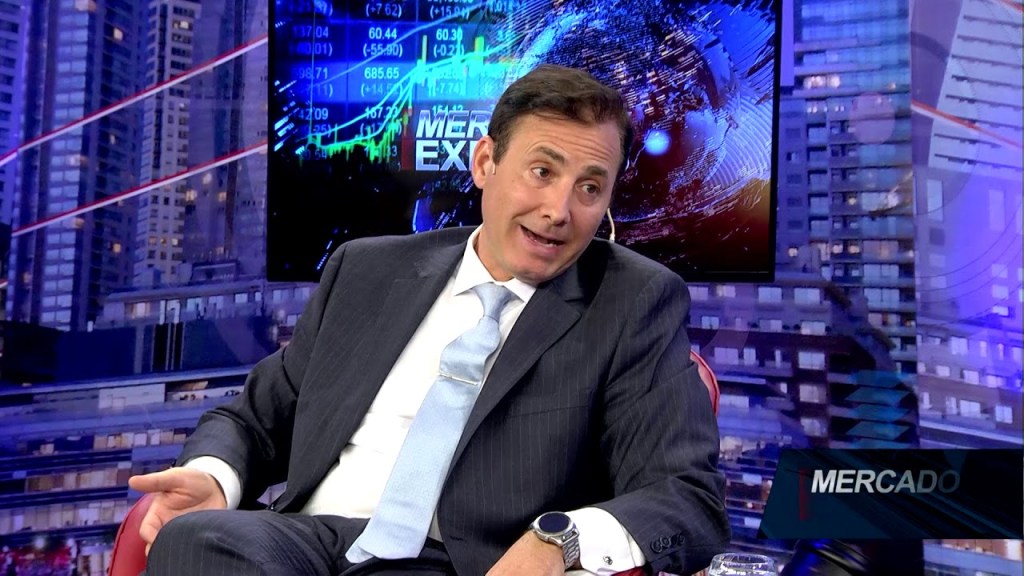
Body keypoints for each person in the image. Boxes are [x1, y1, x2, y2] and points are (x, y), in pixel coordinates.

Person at [130, 64, 729, 576]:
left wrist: (560, 540)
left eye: (590, 188)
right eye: (542, 172)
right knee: (195, 539)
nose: (559, 210)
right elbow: (254, 418)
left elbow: (686, 497)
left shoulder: (634, 301)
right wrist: (214, 476)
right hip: (306, 543)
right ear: (485, 162)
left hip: (453, 561)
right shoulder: (365, 269)